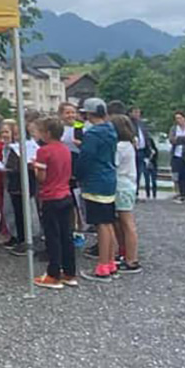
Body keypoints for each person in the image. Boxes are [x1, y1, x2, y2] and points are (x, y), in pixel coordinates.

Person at [30, 116, 77, 288]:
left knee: (52, 236)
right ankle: (70, 272)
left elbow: (42, 177)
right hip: (65, 194)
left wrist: (35, 167)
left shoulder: (44, 151)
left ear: (48, 133)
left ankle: (53, 273)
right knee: (66, 235)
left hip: (51, 196)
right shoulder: (65, 149)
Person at [76, 98, 119, 283]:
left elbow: (86, 158)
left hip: (95, 181)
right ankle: (110, 262)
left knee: (100, 224)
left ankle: (102, 267)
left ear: (89, 114)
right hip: (109, 178)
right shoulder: (111, 130)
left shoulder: (93, 134)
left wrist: (77, 174)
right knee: (108, 222)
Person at [110, 114, 142, 274]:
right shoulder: (129, 144)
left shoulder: (120, 147)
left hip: (121, 185)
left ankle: (131, 259)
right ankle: (126, 254)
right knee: (121, 222)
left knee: (127, 222)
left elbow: (112, 164)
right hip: (127, 184)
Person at [3, 120, 38, 256]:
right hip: (15, 185)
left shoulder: (29, 147)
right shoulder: (13, 148)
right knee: (17, 213)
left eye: (19, 133)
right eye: (15, 134)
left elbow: (13, 167)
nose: (17, 136)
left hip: (24, 184)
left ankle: (26, 240)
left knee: (25, 213)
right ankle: (20, 238)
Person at [131, 107, 157, 200]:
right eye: (135, 112)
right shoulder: (130, 124)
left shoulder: (142, 124)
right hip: (133, 150)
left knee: (139, 172)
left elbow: (146, 137)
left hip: (142, 151)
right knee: (133, 172)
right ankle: (133, 192)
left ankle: (136, 192)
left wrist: (149, 149)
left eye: (139, 112)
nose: (137, 114)